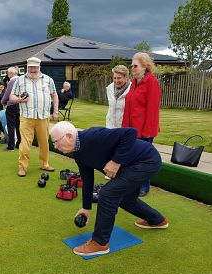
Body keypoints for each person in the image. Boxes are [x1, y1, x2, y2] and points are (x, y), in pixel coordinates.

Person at [50, 121, 168, 257]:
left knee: (107, 193)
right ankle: (157, 220)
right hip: (130, 166)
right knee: (126, 200)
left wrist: (115, 161)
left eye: (56, 142)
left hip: (147, 161)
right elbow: (87, 180)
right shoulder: (78, 153)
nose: (55, 146)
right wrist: (86, 208)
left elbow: (130, 133)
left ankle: (100, 243)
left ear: (69, 136)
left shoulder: (94, 136)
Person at [10, 57, 59, 176]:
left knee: (44, 143)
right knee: (26, 144)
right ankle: (23, 167)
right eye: (30, 67)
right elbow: (12, 97)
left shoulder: (48, 79)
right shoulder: (20, 80)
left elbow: (54, 95)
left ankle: (44, 164)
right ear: (27, 67)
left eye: (35, 67)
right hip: (26, 117)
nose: (33, 69)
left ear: (39, 67)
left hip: (43, 117)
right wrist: (19, 100)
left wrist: (55, 111)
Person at [122, 53, 161, 197]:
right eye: (131, 65)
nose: (132, 68)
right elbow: (129, 106)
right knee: (133, 158)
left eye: (135, 65)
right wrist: (124, 128)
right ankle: (134, 185)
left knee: (143, 159)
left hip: (144, 129)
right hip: (132, 129)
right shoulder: (134, 82)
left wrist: (148, 131)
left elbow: (153, 109)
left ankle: (144, 188)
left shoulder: (151, 82)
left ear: (144, 66)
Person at [1, 67, 21, 151]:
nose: (7, 75)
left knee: (11, 126)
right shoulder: (21, 79)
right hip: (19, 105)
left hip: (12, 105)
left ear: (12, 73)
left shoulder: (12, 81)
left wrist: (2, 101)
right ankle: (19, 144)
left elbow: (7, 94)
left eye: (8, 73)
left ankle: (11, 146)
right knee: (18, 126)